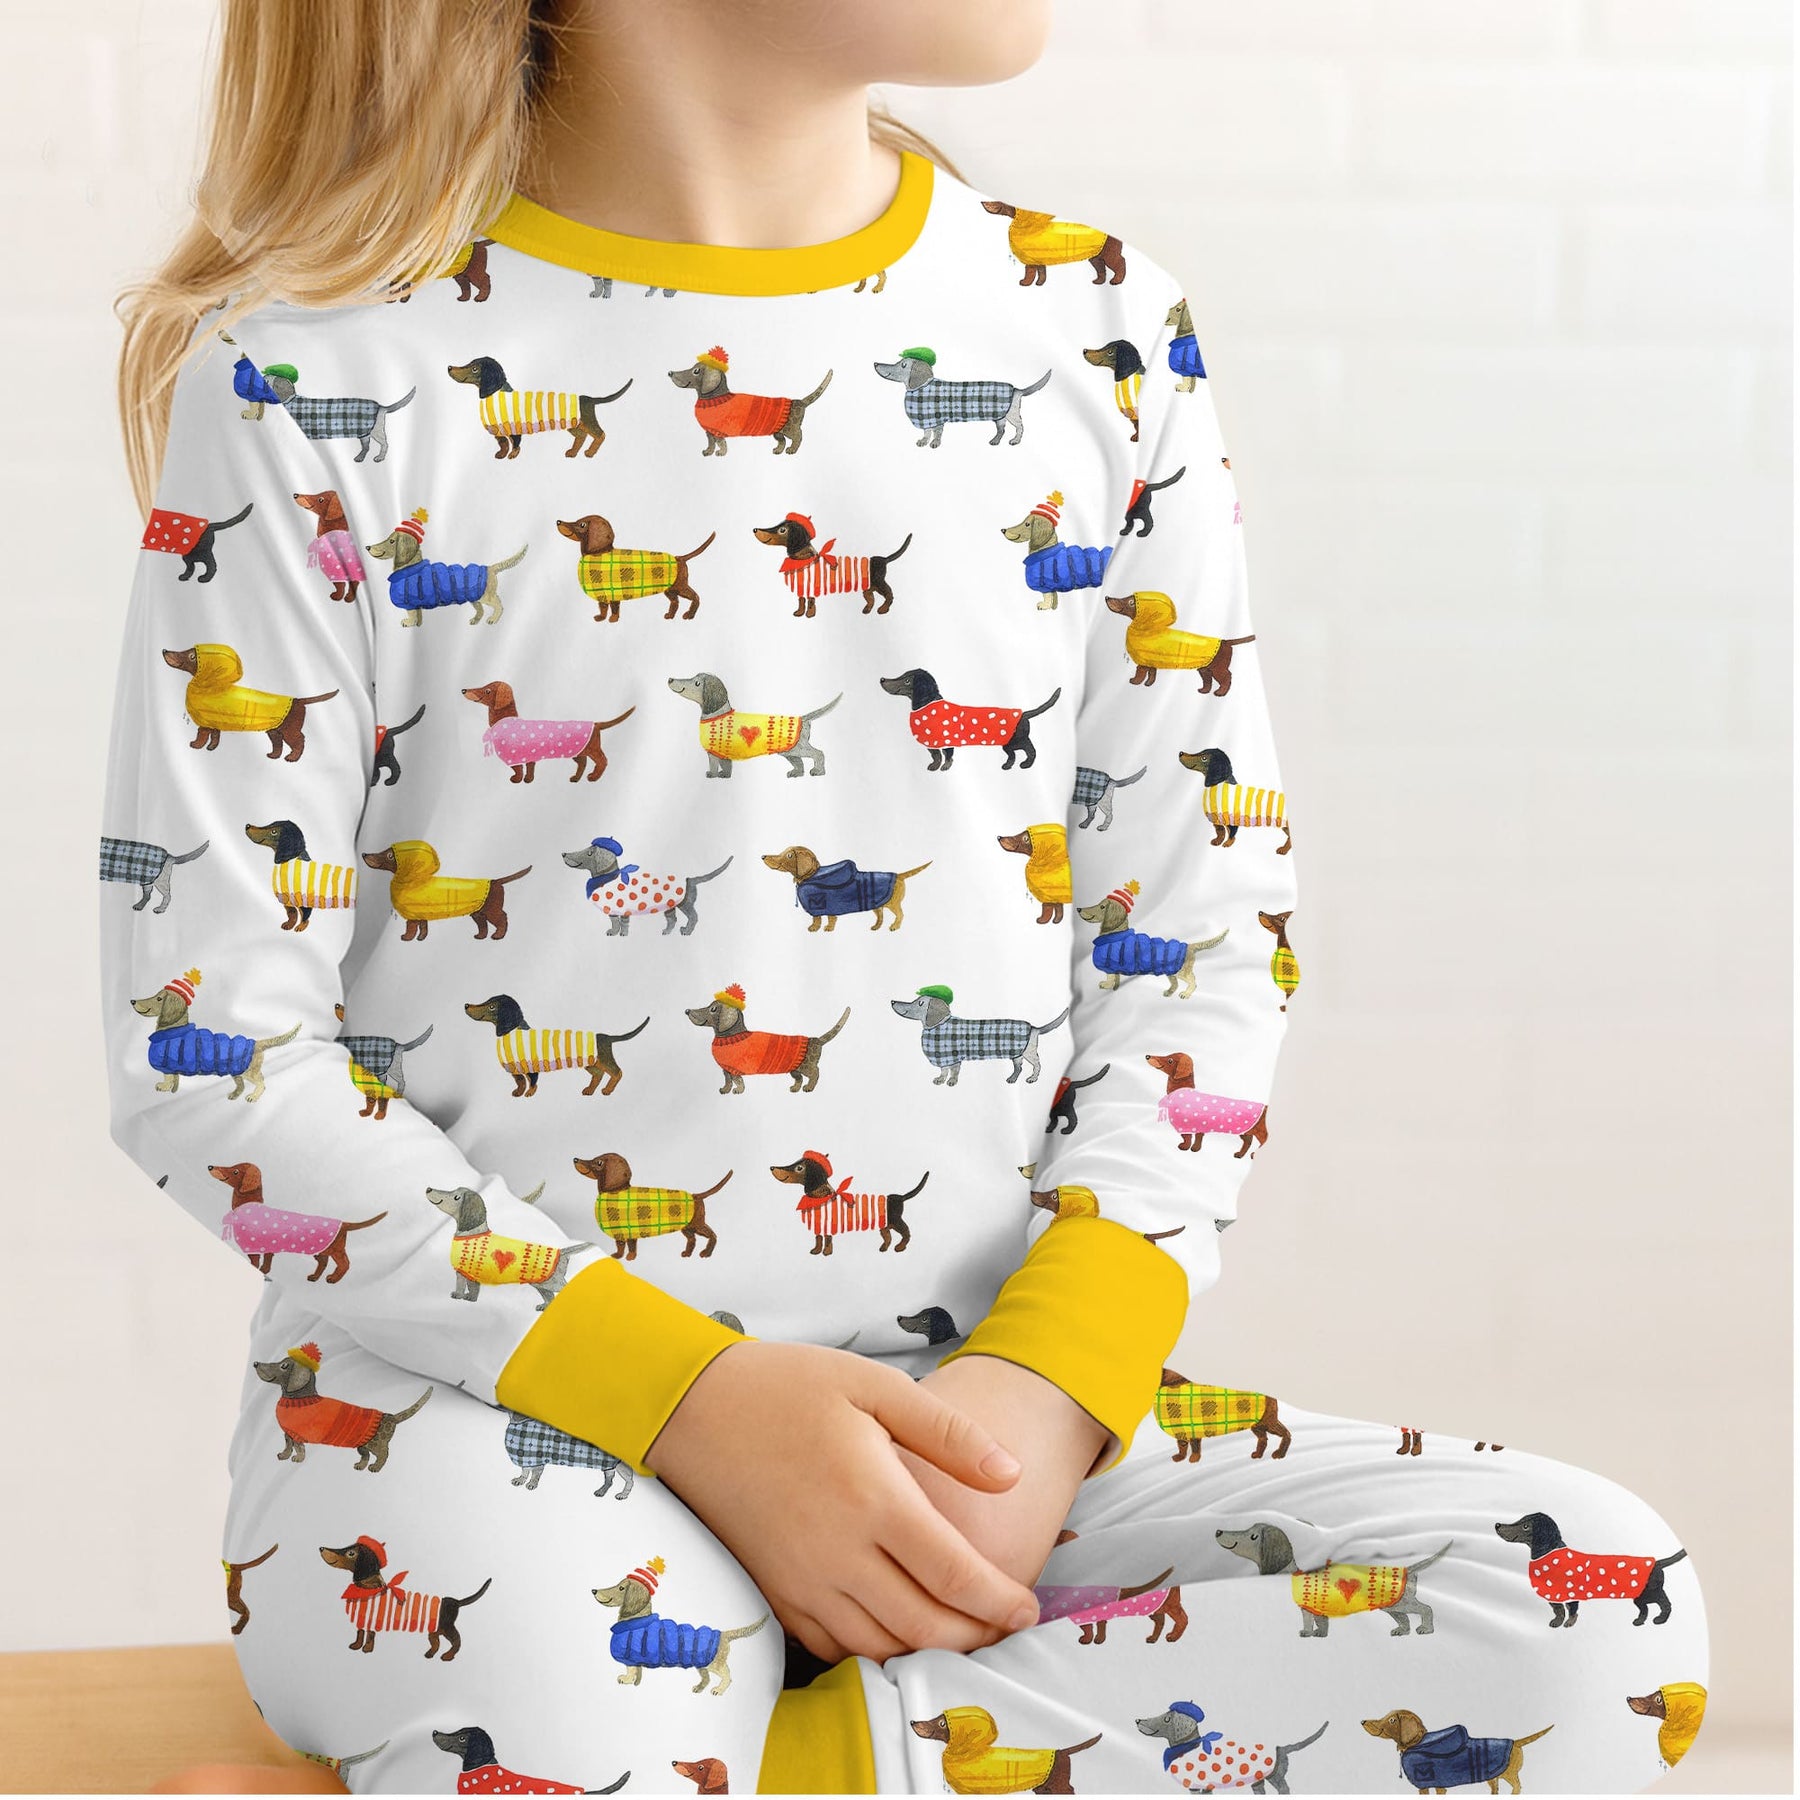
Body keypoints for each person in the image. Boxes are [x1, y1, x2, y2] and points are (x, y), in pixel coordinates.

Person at [107, 2, 1707, 1792]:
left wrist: (1041, 1396)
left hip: (982, 1425)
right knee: (565, 1733)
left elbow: (1199, 946)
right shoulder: (322, 377)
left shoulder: (1093, 325)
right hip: (484, 1416)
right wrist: (688, 1399)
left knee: (1589, 1613)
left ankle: (795, 1757)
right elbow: (211, 1051)